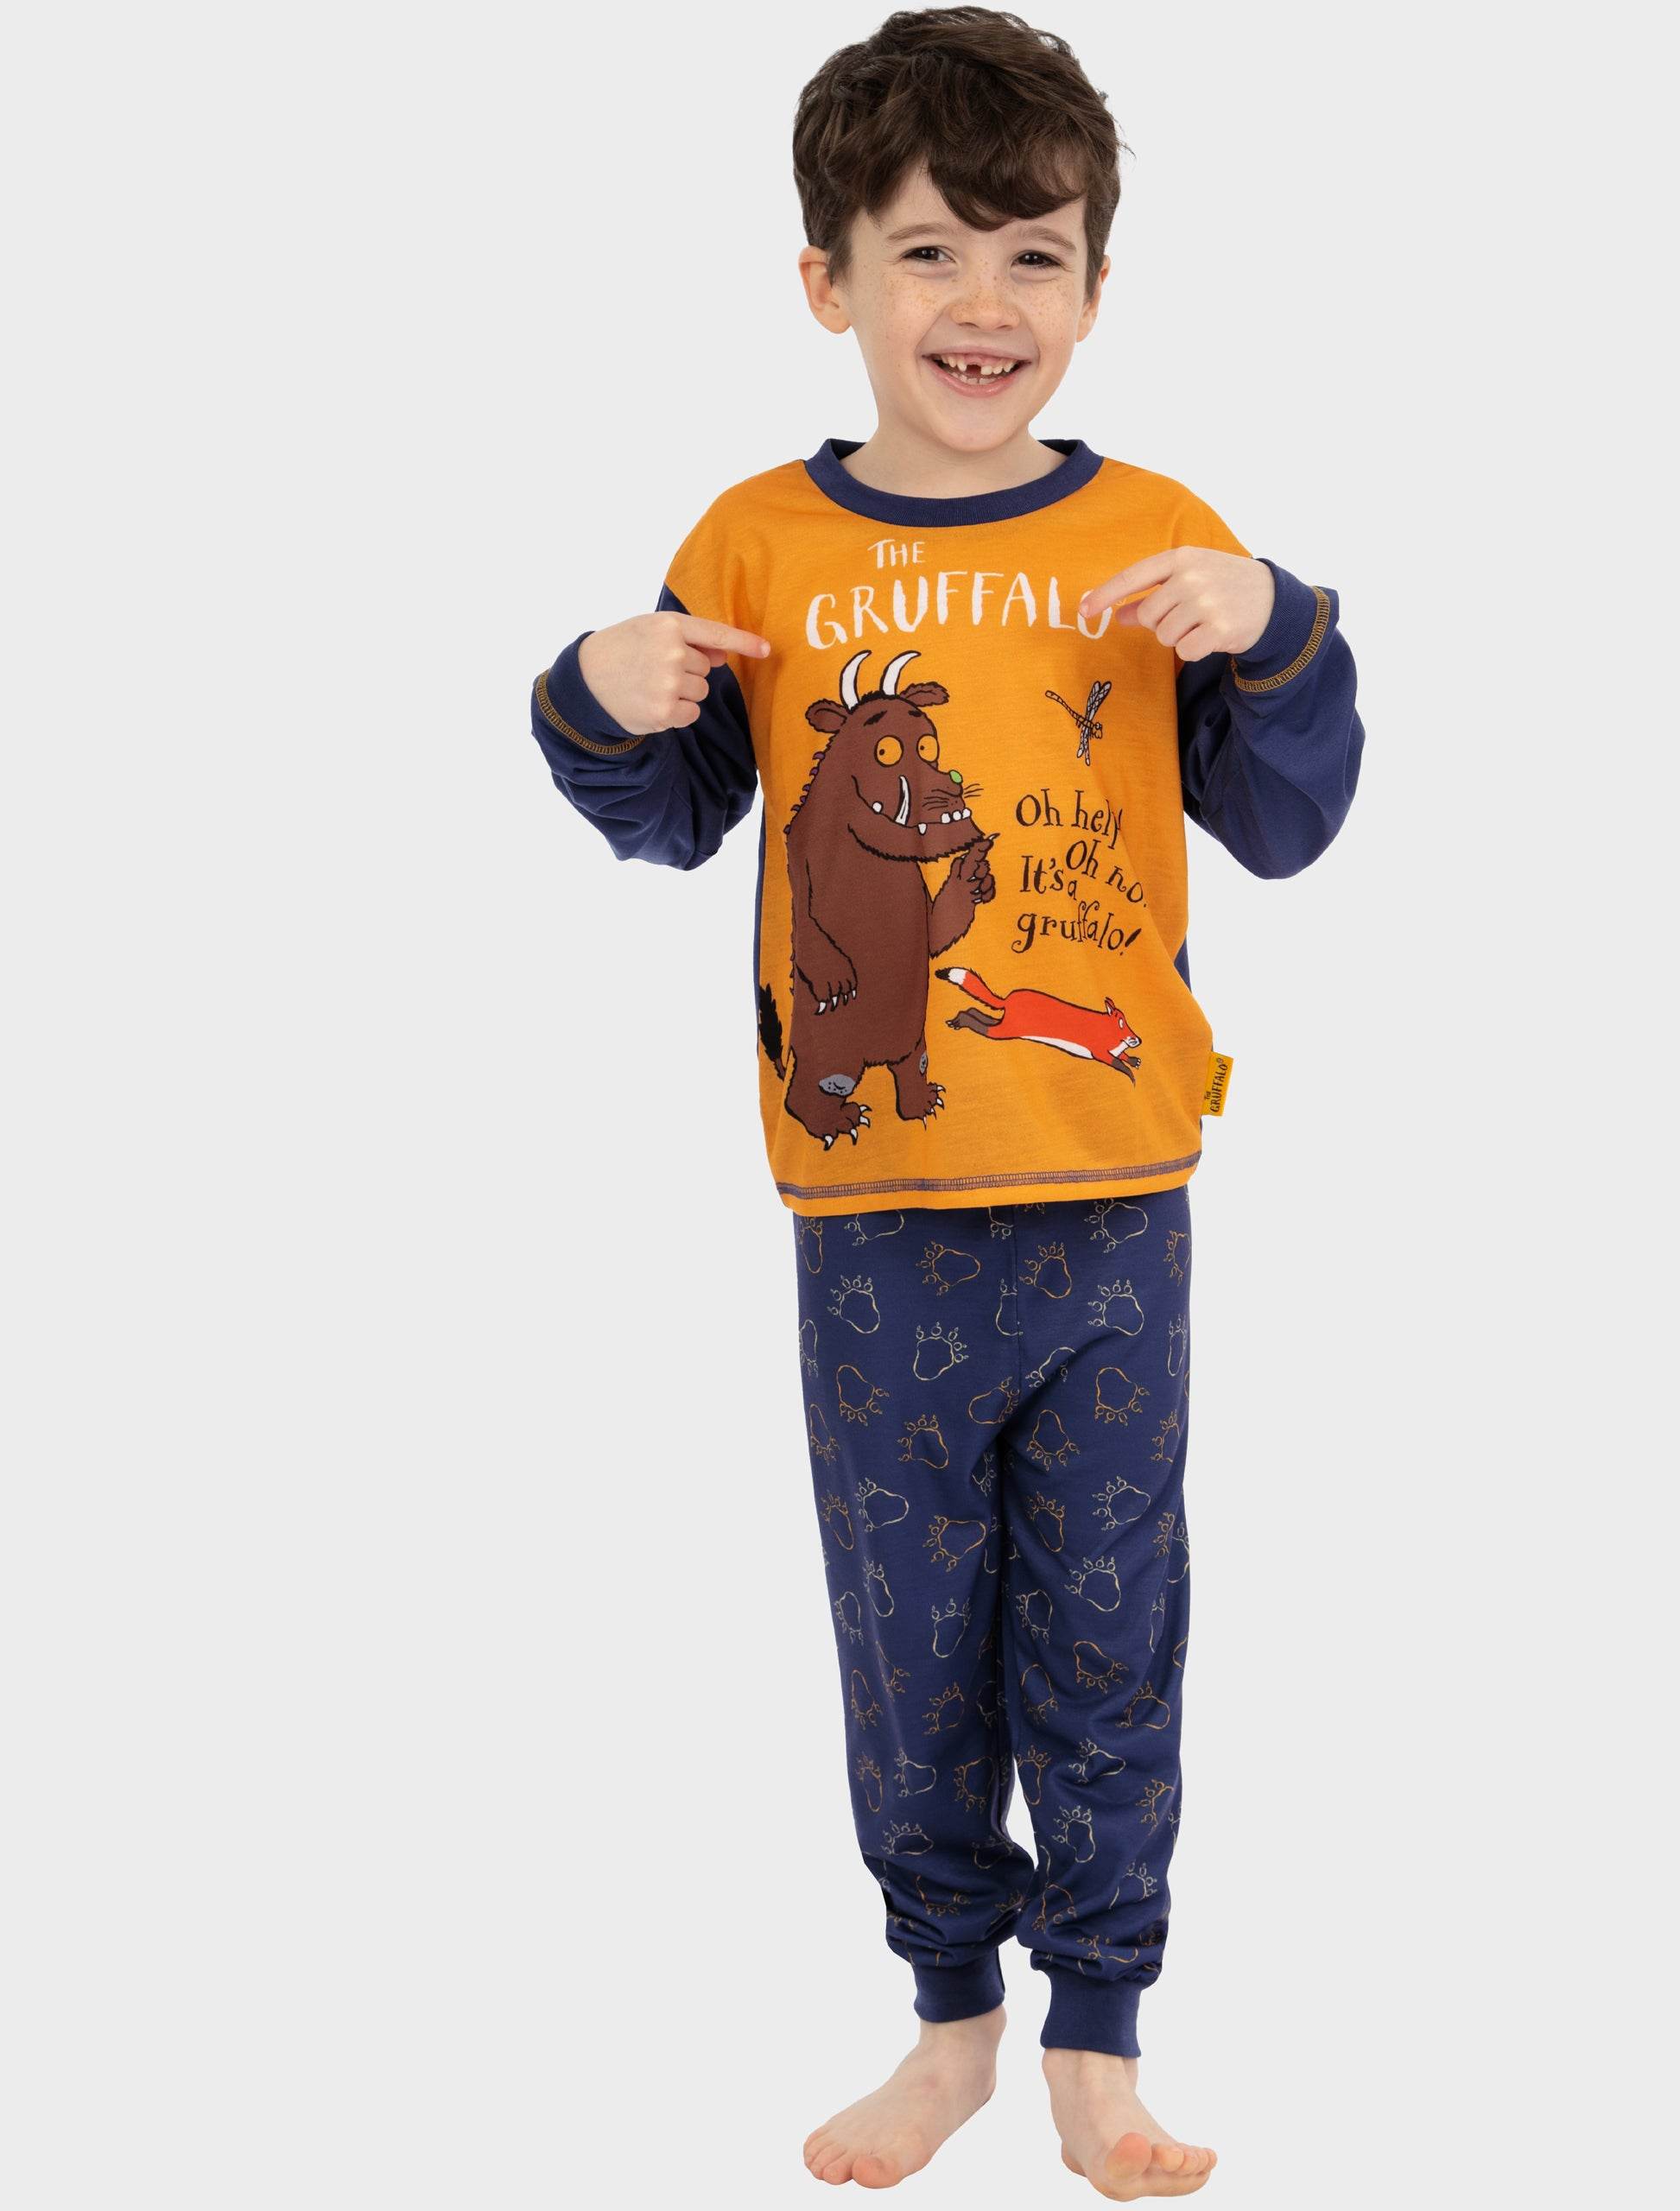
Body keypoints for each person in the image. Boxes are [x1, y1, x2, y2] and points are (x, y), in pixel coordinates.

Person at [525, 9, 1362, 2195]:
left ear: (1094, 287)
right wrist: (597, 699)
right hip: (872, 1212)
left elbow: (1289, 821)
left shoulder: (1162, 534)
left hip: (1111, 1202)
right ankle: (948, 2011)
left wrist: (1273, 629)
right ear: (827, 280)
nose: (981, 303)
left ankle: (1098, 2029)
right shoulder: (756, 541)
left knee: (1108, 1621)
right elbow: (672, 813)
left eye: (1031, 254)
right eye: (926, 251)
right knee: (907, 1641)